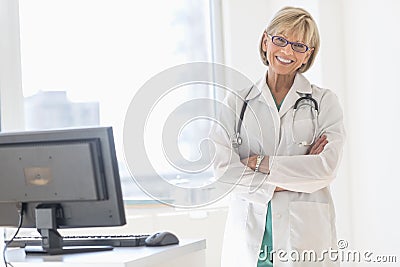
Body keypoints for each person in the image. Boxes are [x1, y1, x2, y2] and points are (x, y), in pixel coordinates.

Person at [209, 6, 345, 267]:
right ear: (265, 41)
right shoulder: (237, 102)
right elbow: (222, 170)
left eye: (298, 45)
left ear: (308, 56)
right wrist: (294, 177)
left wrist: (260, 163)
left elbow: (325, 169)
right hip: (249, 237)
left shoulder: (325, 102)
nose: (286, 51)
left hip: (304, 237)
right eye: (280, 40)